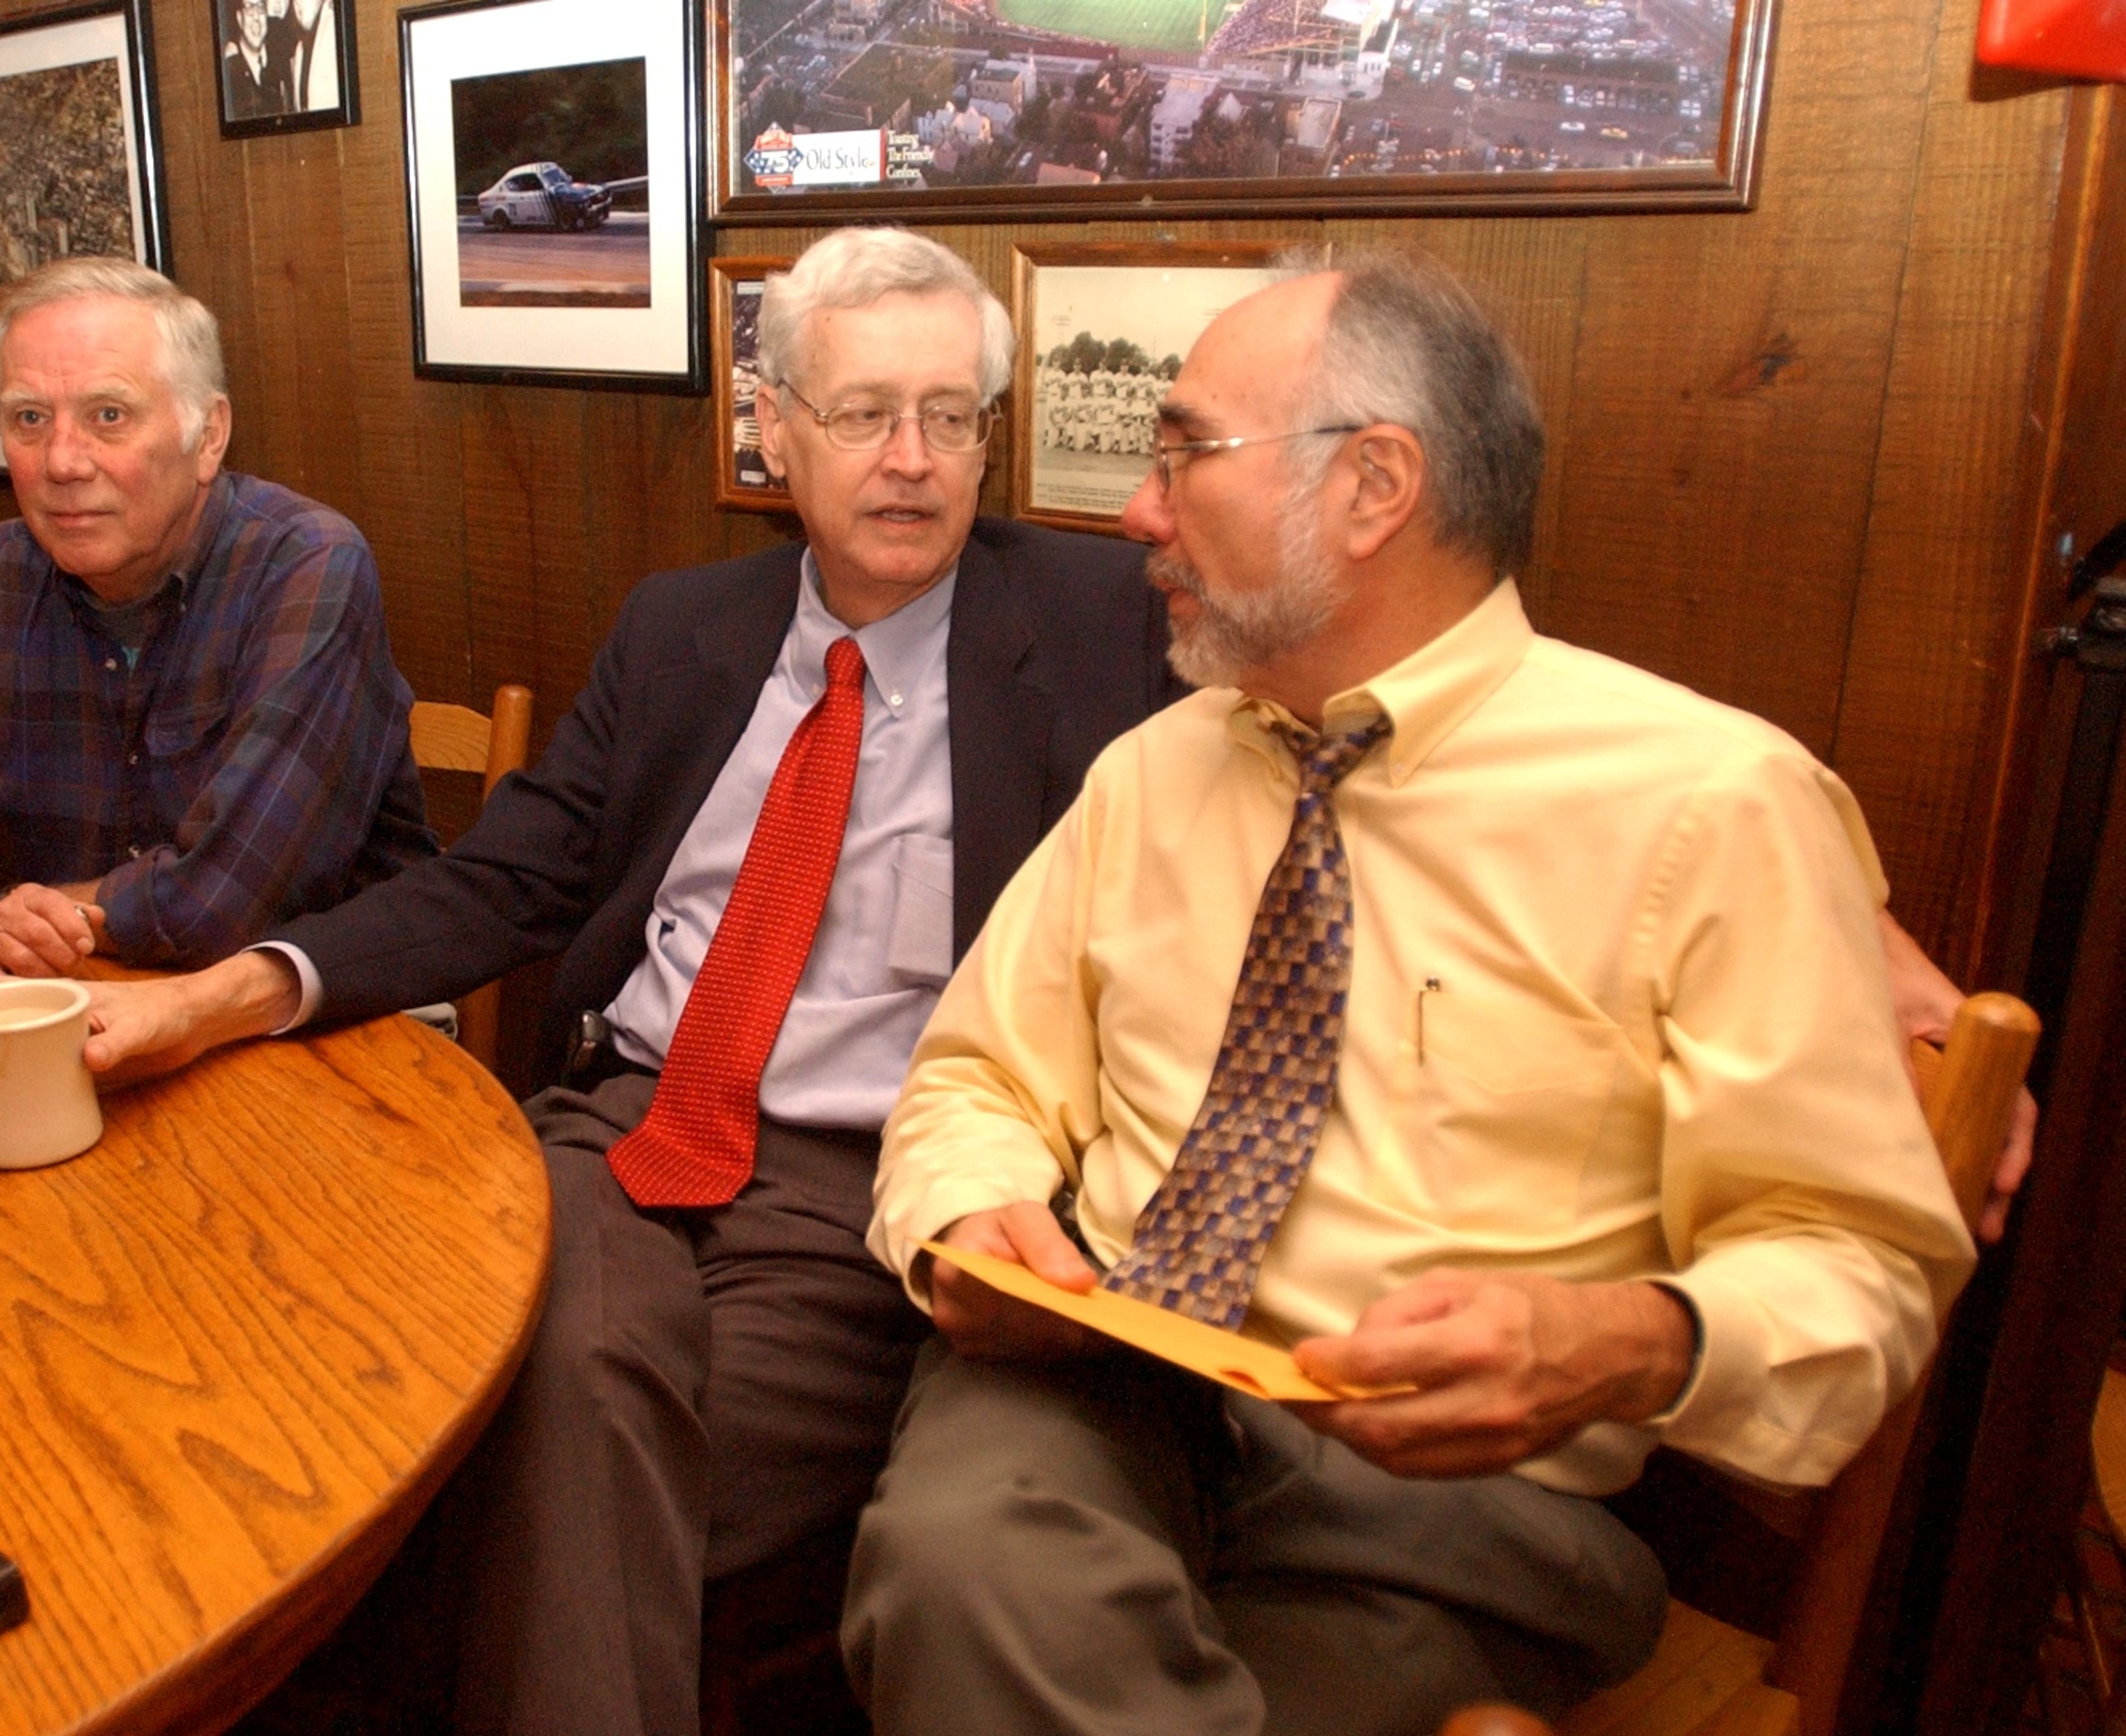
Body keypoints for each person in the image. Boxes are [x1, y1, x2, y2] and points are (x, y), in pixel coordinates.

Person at [0, 226, 1180, 1736]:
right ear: (777, 429)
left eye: (951, 415)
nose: (913, 460)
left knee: (507, 1446)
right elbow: (506, 874)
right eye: (865, 413)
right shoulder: (684, 626)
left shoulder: (1110, 625)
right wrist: (225, 993)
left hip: (872, 1180)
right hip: (616, 1128)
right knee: (471, 1395)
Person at [840, 251, 1981, 1735]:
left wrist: (1637, 1337)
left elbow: (1858, 1269)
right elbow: (978, 1073)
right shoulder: (1153, 771)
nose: (1138, 511)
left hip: (1450, 1495)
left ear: (1372, 484)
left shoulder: (1713, 804)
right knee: (960, 1563)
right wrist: (966, 1213)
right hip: (1096, 1380)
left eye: (1184, 453)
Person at [0, 256, 435, 984]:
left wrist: (30, 928)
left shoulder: (306, 565)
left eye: (109, 416)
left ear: (208, 435)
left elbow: (223, 904)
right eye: (30, 418)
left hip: (315, 1014)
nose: (62, 461)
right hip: (68, 1001)